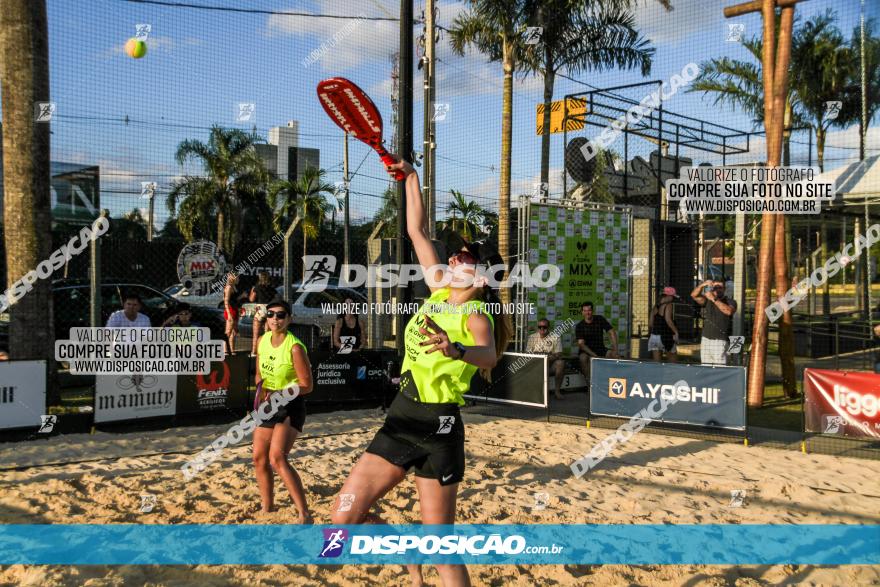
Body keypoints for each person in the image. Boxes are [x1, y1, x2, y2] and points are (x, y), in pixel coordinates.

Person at [331, 157, 511, 587]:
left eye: (465, 256)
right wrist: (411, 177)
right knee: (340, 523)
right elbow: (417, 230)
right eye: (456, 252)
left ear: (483, 276)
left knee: (443, 548)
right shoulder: (438, 287)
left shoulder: (476, 312)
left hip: (441, 427)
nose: (454, 255)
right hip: (402, 417)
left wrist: (457, 348)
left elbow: (488, 357)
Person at [254, 299, 314, 522]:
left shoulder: (295, 347)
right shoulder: (262, 340)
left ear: (289, 319)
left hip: (290, 404)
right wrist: (262, 389)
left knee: (277, 458)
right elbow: (259, 374)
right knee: (258, 458)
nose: (274, 319)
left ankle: (304, 513)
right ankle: (267, 507)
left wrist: (281, 393)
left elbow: (307, 385)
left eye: (280, 315)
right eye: (270, 314)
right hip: (268, 403)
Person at [691, 279, 737, 365]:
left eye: (720, 287)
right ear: (712, 288)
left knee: (720, 368)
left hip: (720, 341)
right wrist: (702, 285)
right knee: (705, 366)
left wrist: (714, 299)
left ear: (724, 289)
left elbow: (728, 311)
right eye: (715, 287)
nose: (718, 289)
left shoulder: (730, 301)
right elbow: (694, 295)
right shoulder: (707, 300)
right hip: (706, 339)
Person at [575, 301, 618, 386]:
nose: (588, 312)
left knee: (615, 356)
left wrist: (615, 349)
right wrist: (593, 355)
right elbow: (581, 345)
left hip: (600, 349)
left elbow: (612, 332)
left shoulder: (600, 319)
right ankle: (590, 385)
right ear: (582, 312)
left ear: (592, 311)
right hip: (587, 351)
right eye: (585, 310)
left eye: (589, 310)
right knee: (583, 358)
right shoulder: (579, 326)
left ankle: (613, 384)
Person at [526, 318, 565, 400]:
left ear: (549, 327)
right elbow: (528, 355)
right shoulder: (532, 337)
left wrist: (543, 356)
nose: (542, 329)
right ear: (537, 327)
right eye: (540, 327)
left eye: (544, 327)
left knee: (560, 363)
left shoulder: (555, 337)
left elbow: (558, 354)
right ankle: (539, 393)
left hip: (549, 364)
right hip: (536, 365)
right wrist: (547, 355)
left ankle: (557, 391)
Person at [648, 287, 680, 363]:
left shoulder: (655, 307)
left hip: (654, 337)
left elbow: (650, 324)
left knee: (657, 366)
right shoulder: (668, 305)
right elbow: (668, 320)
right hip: (666, 337)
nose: (673, 299)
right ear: (668, 296)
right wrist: (676, 332)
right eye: (672, 296)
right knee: (673, 365)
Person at [249, 272, 277, 357]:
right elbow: (276, 297)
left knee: (256, 333)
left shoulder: (257, 287)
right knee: (267, 334)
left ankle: (254, 352)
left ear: (259, 278)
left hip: (260, 310)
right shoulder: (271, 288)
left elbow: (251, 299)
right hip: (269, 310)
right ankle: (266, 352)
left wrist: (252, 290)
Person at [223, 272, 243, 356]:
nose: (238, 279)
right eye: (237, 277)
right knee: (228, 331)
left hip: (235, 310)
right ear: (232, 278)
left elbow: (233, 299)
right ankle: (225, 350)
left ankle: (232, 349)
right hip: (230, 310)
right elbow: (226, 301)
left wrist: (241, 296)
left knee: (234, 332)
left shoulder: (234, 287)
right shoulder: (229, 287)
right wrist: (229, 314)